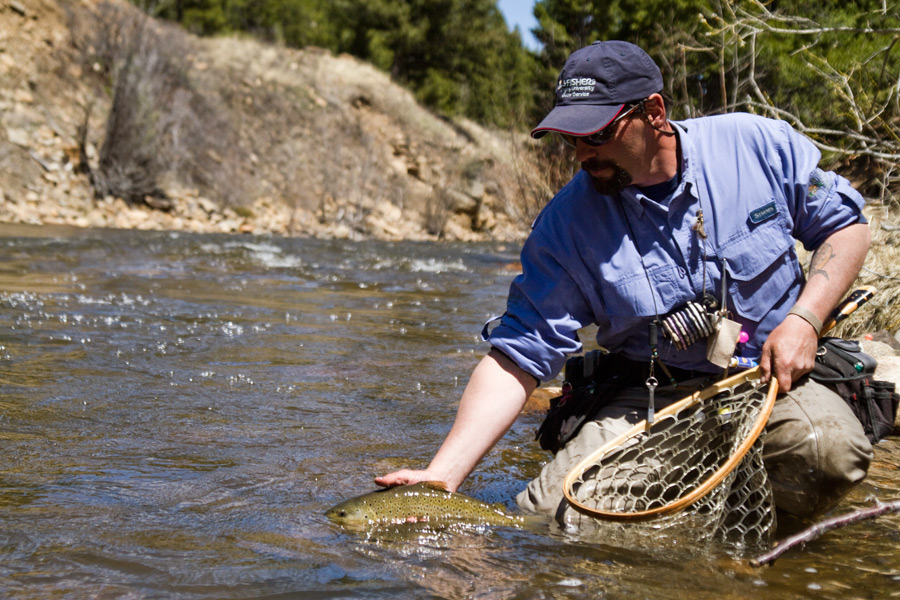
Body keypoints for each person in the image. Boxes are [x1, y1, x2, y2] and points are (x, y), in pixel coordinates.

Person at [377, 40, 872, 524]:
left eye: (595, 134)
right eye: (570, 139)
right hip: (653, 396)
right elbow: (518, 356)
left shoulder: (754, 145)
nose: (579, 154)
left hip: (771, 380)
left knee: (827, 451)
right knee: (554, 520)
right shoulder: (564, 227)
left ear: (654, 112)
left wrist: (805, 320)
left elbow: (845, 227)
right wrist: (442, 475)